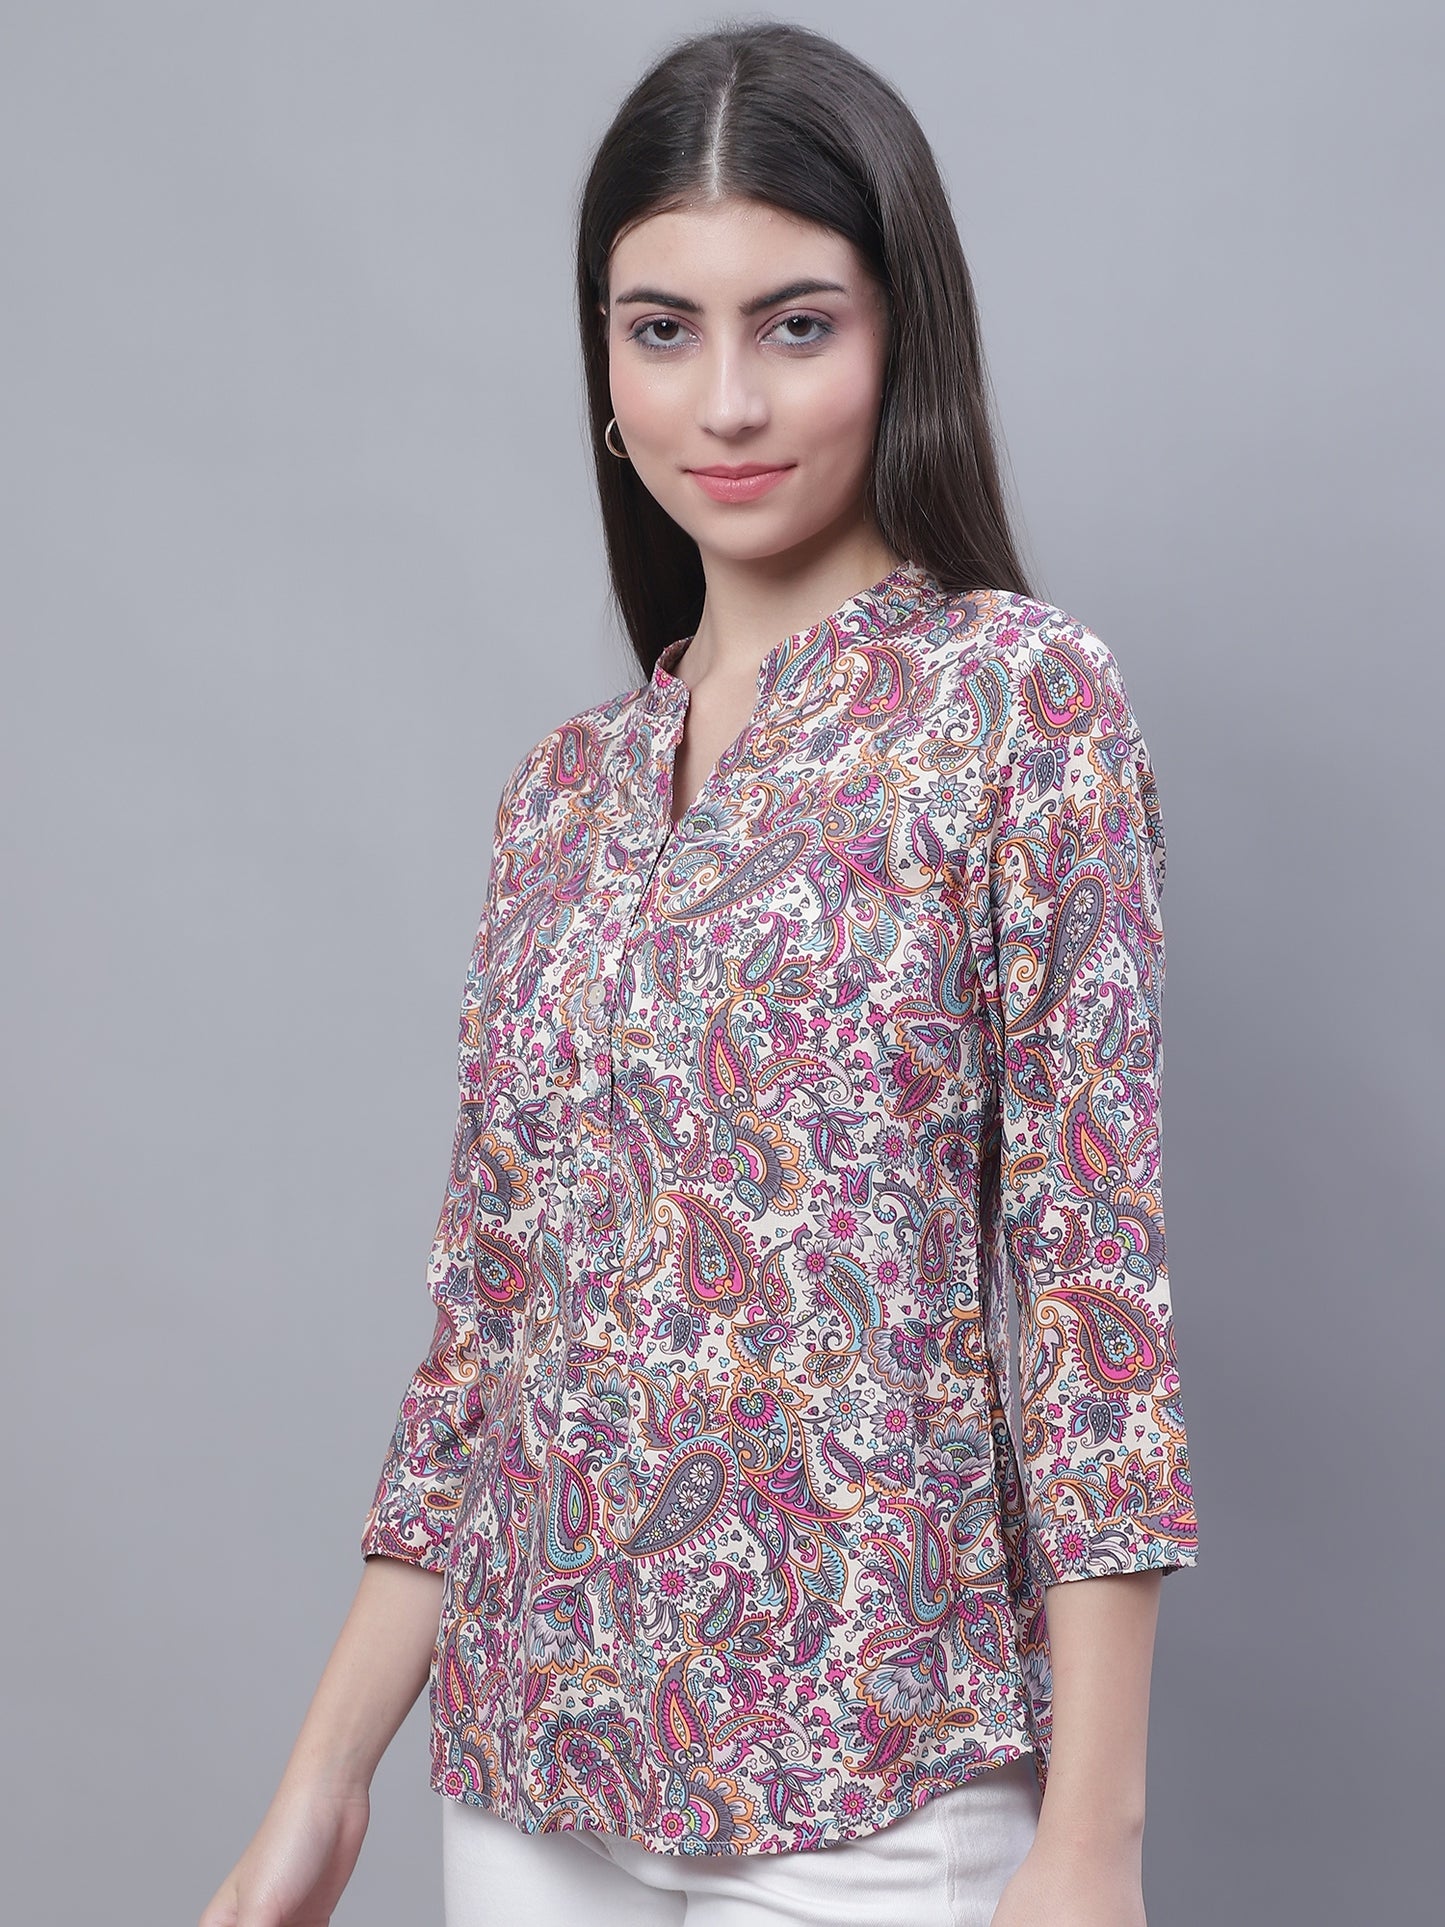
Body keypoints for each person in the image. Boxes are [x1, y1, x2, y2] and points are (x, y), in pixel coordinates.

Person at [200, 20, 1199, 1927]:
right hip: (530, 1761)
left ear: (901, 334)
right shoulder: (560, 796)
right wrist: (323, 1780)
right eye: (661, 329)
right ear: (602, 360)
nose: (725, 403)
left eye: (794, 325)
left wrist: (1093, 1838)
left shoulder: (1018, 705)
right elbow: (486, 1334)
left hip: (881, 1764)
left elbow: (1089, 1298)